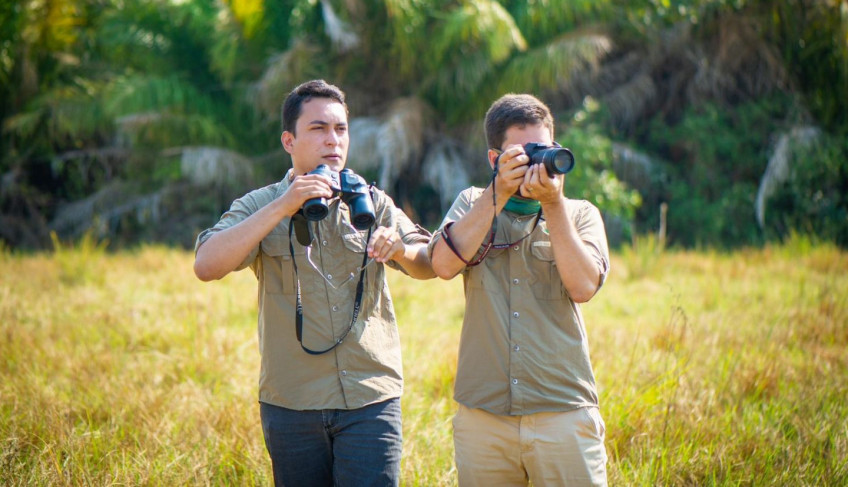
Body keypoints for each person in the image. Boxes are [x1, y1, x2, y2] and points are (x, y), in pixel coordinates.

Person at [194, 79, 434, 486]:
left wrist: (399, 249)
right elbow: (206, 265)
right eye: (319, 129)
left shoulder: (371, 200)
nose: (333, 140)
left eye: (341, 129)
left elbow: (428, 264)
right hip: (293, 402)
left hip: (370, 397)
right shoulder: (260, 204)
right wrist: (283, 206)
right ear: (289, 140)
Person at [429, 93, 610, 486]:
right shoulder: (472, 203)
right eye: (524, 154)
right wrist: (496, 195)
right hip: (484, 416)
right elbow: (442, 265)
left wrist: (554, 205)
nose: (536, 163)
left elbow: (583, 287)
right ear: (495, 159)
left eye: (544, 150)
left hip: (563, 410)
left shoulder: (580, 213)